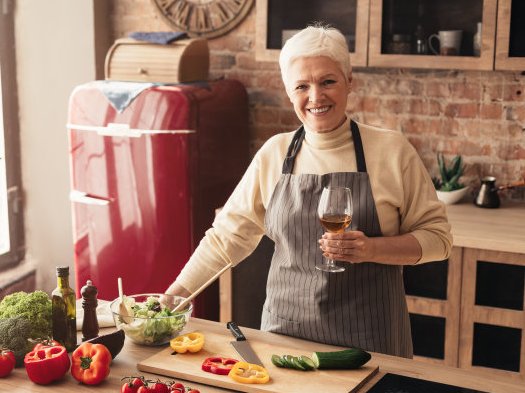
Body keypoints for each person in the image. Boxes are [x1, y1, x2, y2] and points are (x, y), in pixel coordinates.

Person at [166, 24, 452, 358]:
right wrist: (173, 295)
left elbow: (439, 239)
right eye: (302, 86)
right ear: (289, 92)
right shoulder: (274, 153)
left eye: (328, 81)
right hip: (285, 335)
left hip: (371, 339)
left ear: (349, 81)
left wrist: (371, 249)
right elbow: (227, 235)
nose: (316, 97)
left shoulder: (392, 151)